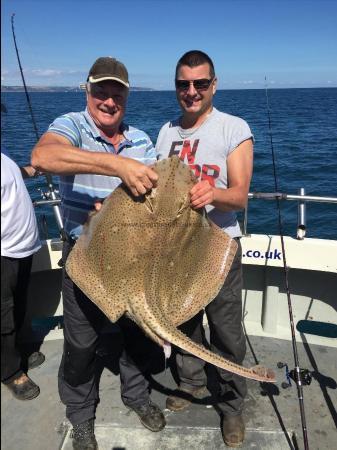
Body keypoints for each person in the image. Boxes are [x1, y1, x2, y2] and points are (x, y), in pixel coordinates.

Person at [31, 57, 165, 450]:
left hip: (133, 257)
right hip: (86, 256)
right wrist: (116, 165)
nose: (109, 101)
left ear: (126, 96)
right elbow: (43, 157)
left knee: (138, 335)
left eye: (117, 93)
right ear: (87, 92)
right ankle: (82, 416)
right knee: (82, 343)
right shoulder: (72, 125)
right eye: (101, 92)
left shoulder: (142, 139)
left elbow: (154, 196)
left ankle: (137, 396)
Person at [156, 50, 254, 447]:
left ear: (214, 84)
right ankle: (192, 381)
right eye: (184, 84)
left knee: (226, 331)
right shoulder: (165, 132)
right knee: (184, 322)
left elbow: (240, 196)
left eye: (200, 83)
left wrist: (213, 193)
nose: (191, 92)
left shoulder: (234, 128)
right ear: (176, 87)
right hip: (177, 250)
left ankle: (231, 405)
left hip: (218, 248)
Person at [1, 152, 45, 401]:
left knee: (18, 305)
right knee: (3, 315)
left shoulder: (3, 158)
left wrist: (36, 170)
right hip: (3, 253)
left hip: (22, 249)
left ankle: (19, 350)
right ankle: (10, 372)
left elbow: (13, 173)